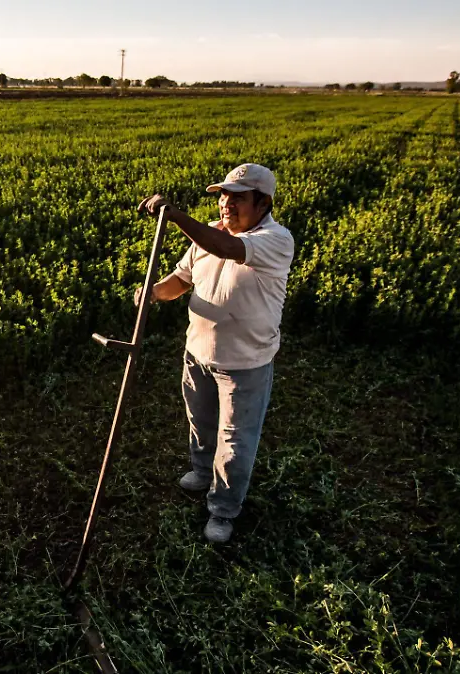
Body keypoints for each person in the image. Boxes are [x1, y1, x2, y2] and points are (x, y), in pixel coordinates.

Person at [136, 163, 294, 543]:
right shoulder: (210, 237)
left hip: (245, 364)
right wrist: (154, 292)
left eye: (238, 198)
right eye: (223, 196)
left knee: (236, 442)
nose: (226, 204)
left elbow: (226, 249)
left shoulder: (274, 239)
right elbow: (182, 279)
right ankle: (202, 471)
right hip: (198, 353)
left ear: (263, 202)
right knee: (201, 422)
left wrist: (174, 217)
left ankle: (223, 509)